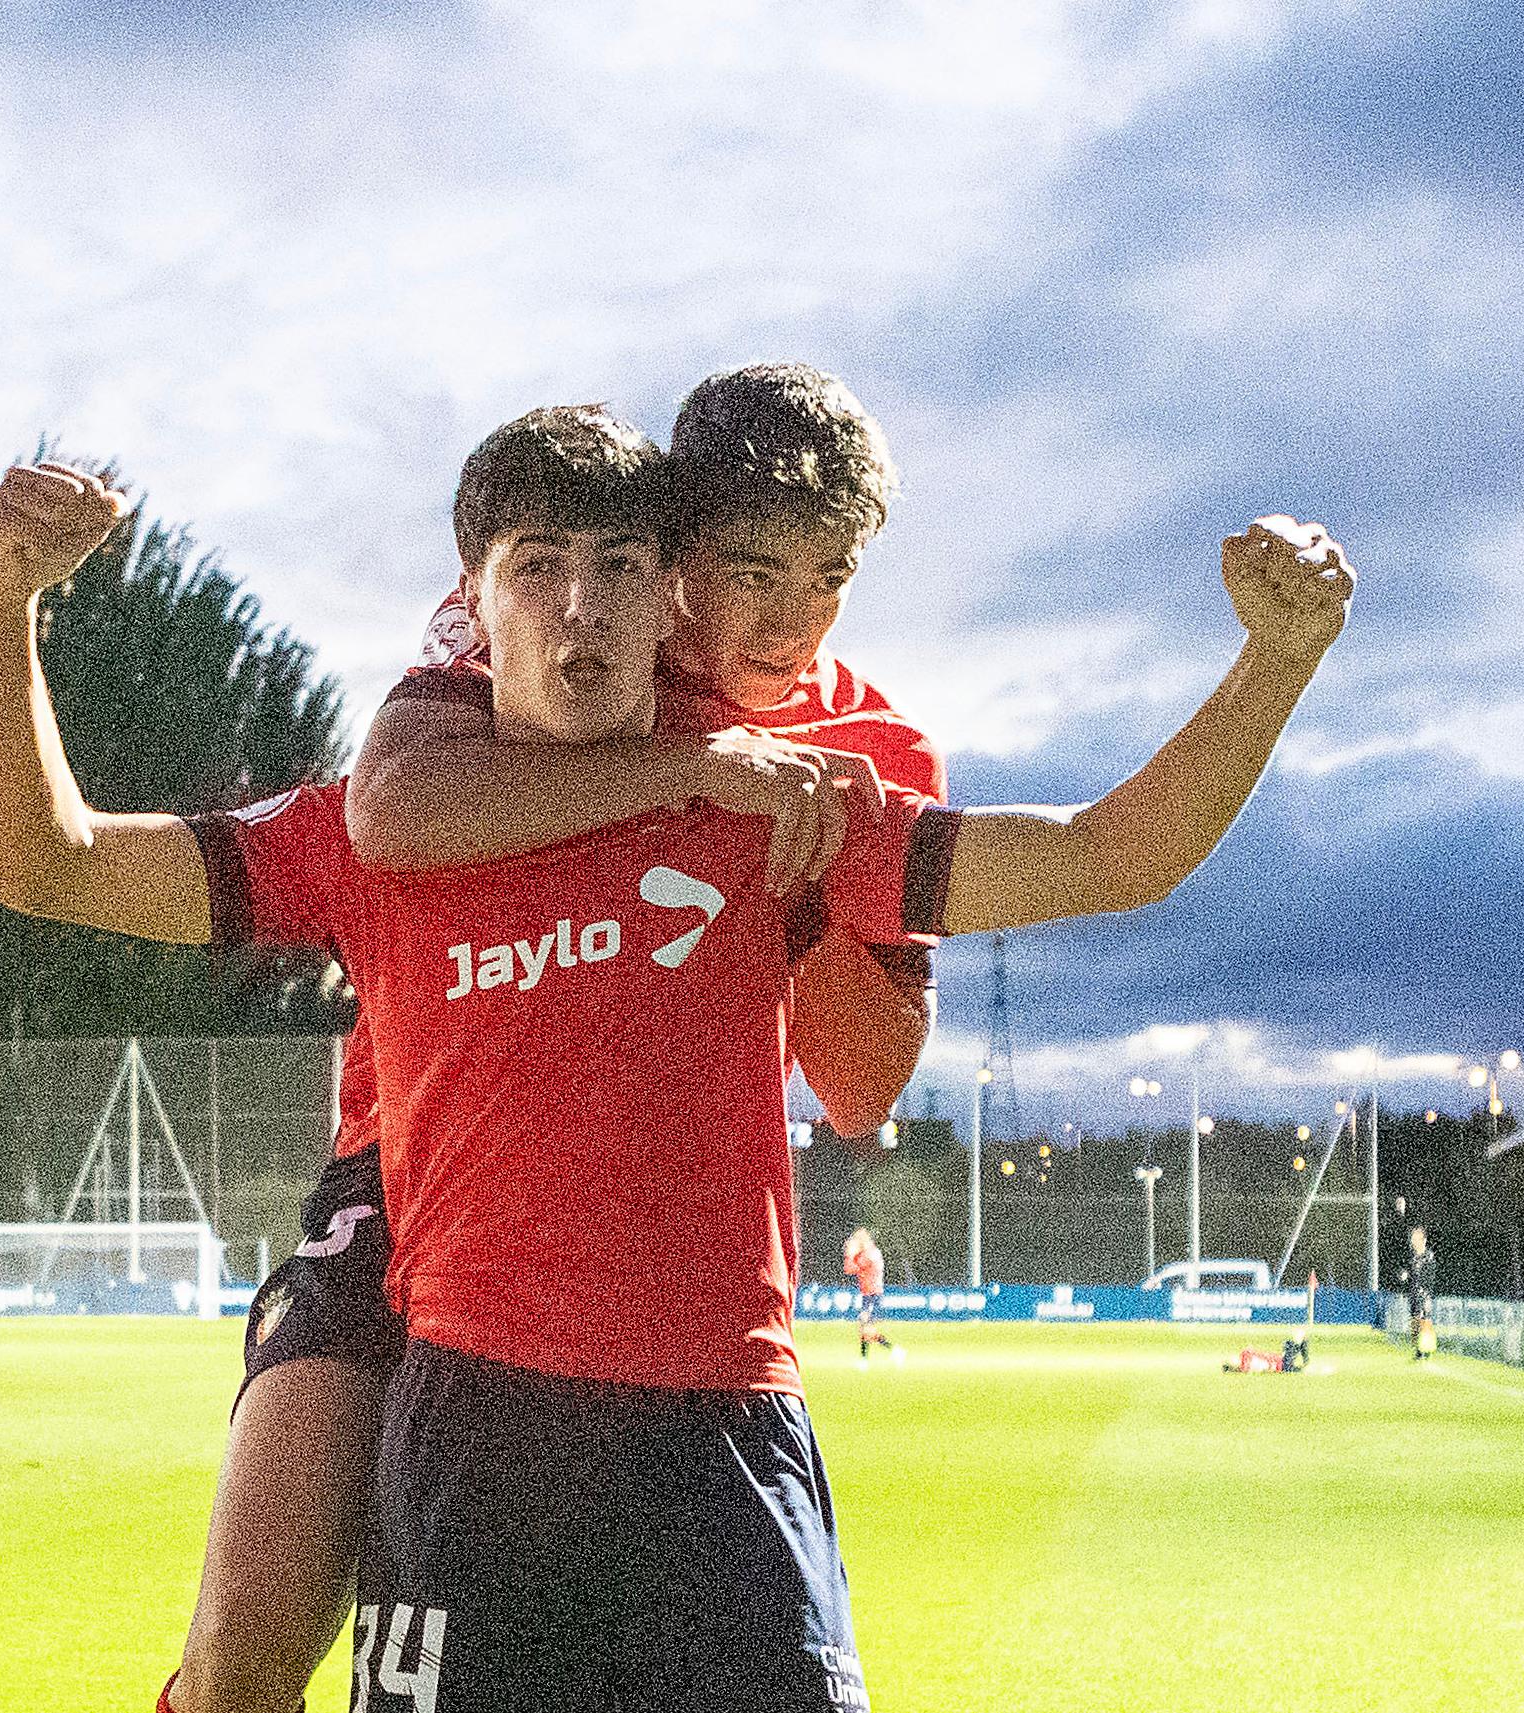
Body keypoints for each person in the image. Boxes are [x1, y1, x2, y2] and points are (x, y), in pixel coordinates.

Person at [0, 412, 1351, 1711]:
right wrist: (3, 604)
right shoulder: (373, 828)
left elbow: (1108, 852)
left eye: (619, 565)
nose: (580, 603)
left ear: (666, 594)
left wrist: (1273, 663)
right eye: (538, 565)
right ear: (473, 596)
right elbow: (42, 859)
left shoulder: (778, 807)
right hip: (481, 1426)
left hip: (727, 1432)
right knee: (236, 1662)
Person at [174, 364, 946, 1713]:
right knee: (244, 1655)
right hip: (403, 1165)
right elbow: (393, 808)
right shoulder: (541, 632)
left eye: (832, 576)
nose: (795, 618)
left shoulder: (868, 743)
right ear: (677, 562)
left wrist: (799, 873)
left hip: (647, 1225)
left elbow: (860, 1086)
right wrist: (692, 769)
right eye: (751, 568)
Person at [844, 1228, 900, 1366]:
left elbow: (849, 1269)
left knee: (866, 1328)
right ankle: (869, 1358)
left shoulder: (868, 1255)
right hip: (869, 1294)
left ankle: (890, 1351)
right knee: (865, 1327)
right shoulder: (871, 1252)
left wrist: (849, 1254)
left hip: (872, 1295)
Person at [1404, 1226, 1440, 1359]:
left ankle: (1427, 1349)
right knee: (1414, 1322)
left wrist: (1425, 1293)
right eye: (1413, 1238)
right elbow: (1411, 1276)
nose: (1415, 1241)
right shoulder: (1413, 1258)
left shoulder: (1428, 1256)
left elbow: (1430, 1277)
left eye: (1418, 1238)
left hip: (1425, 1295)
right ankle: (1418, 1349)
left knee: (1425, 1321)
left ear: (1424, 1240)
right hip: (1413, 1295)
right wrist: (1405, 1275)